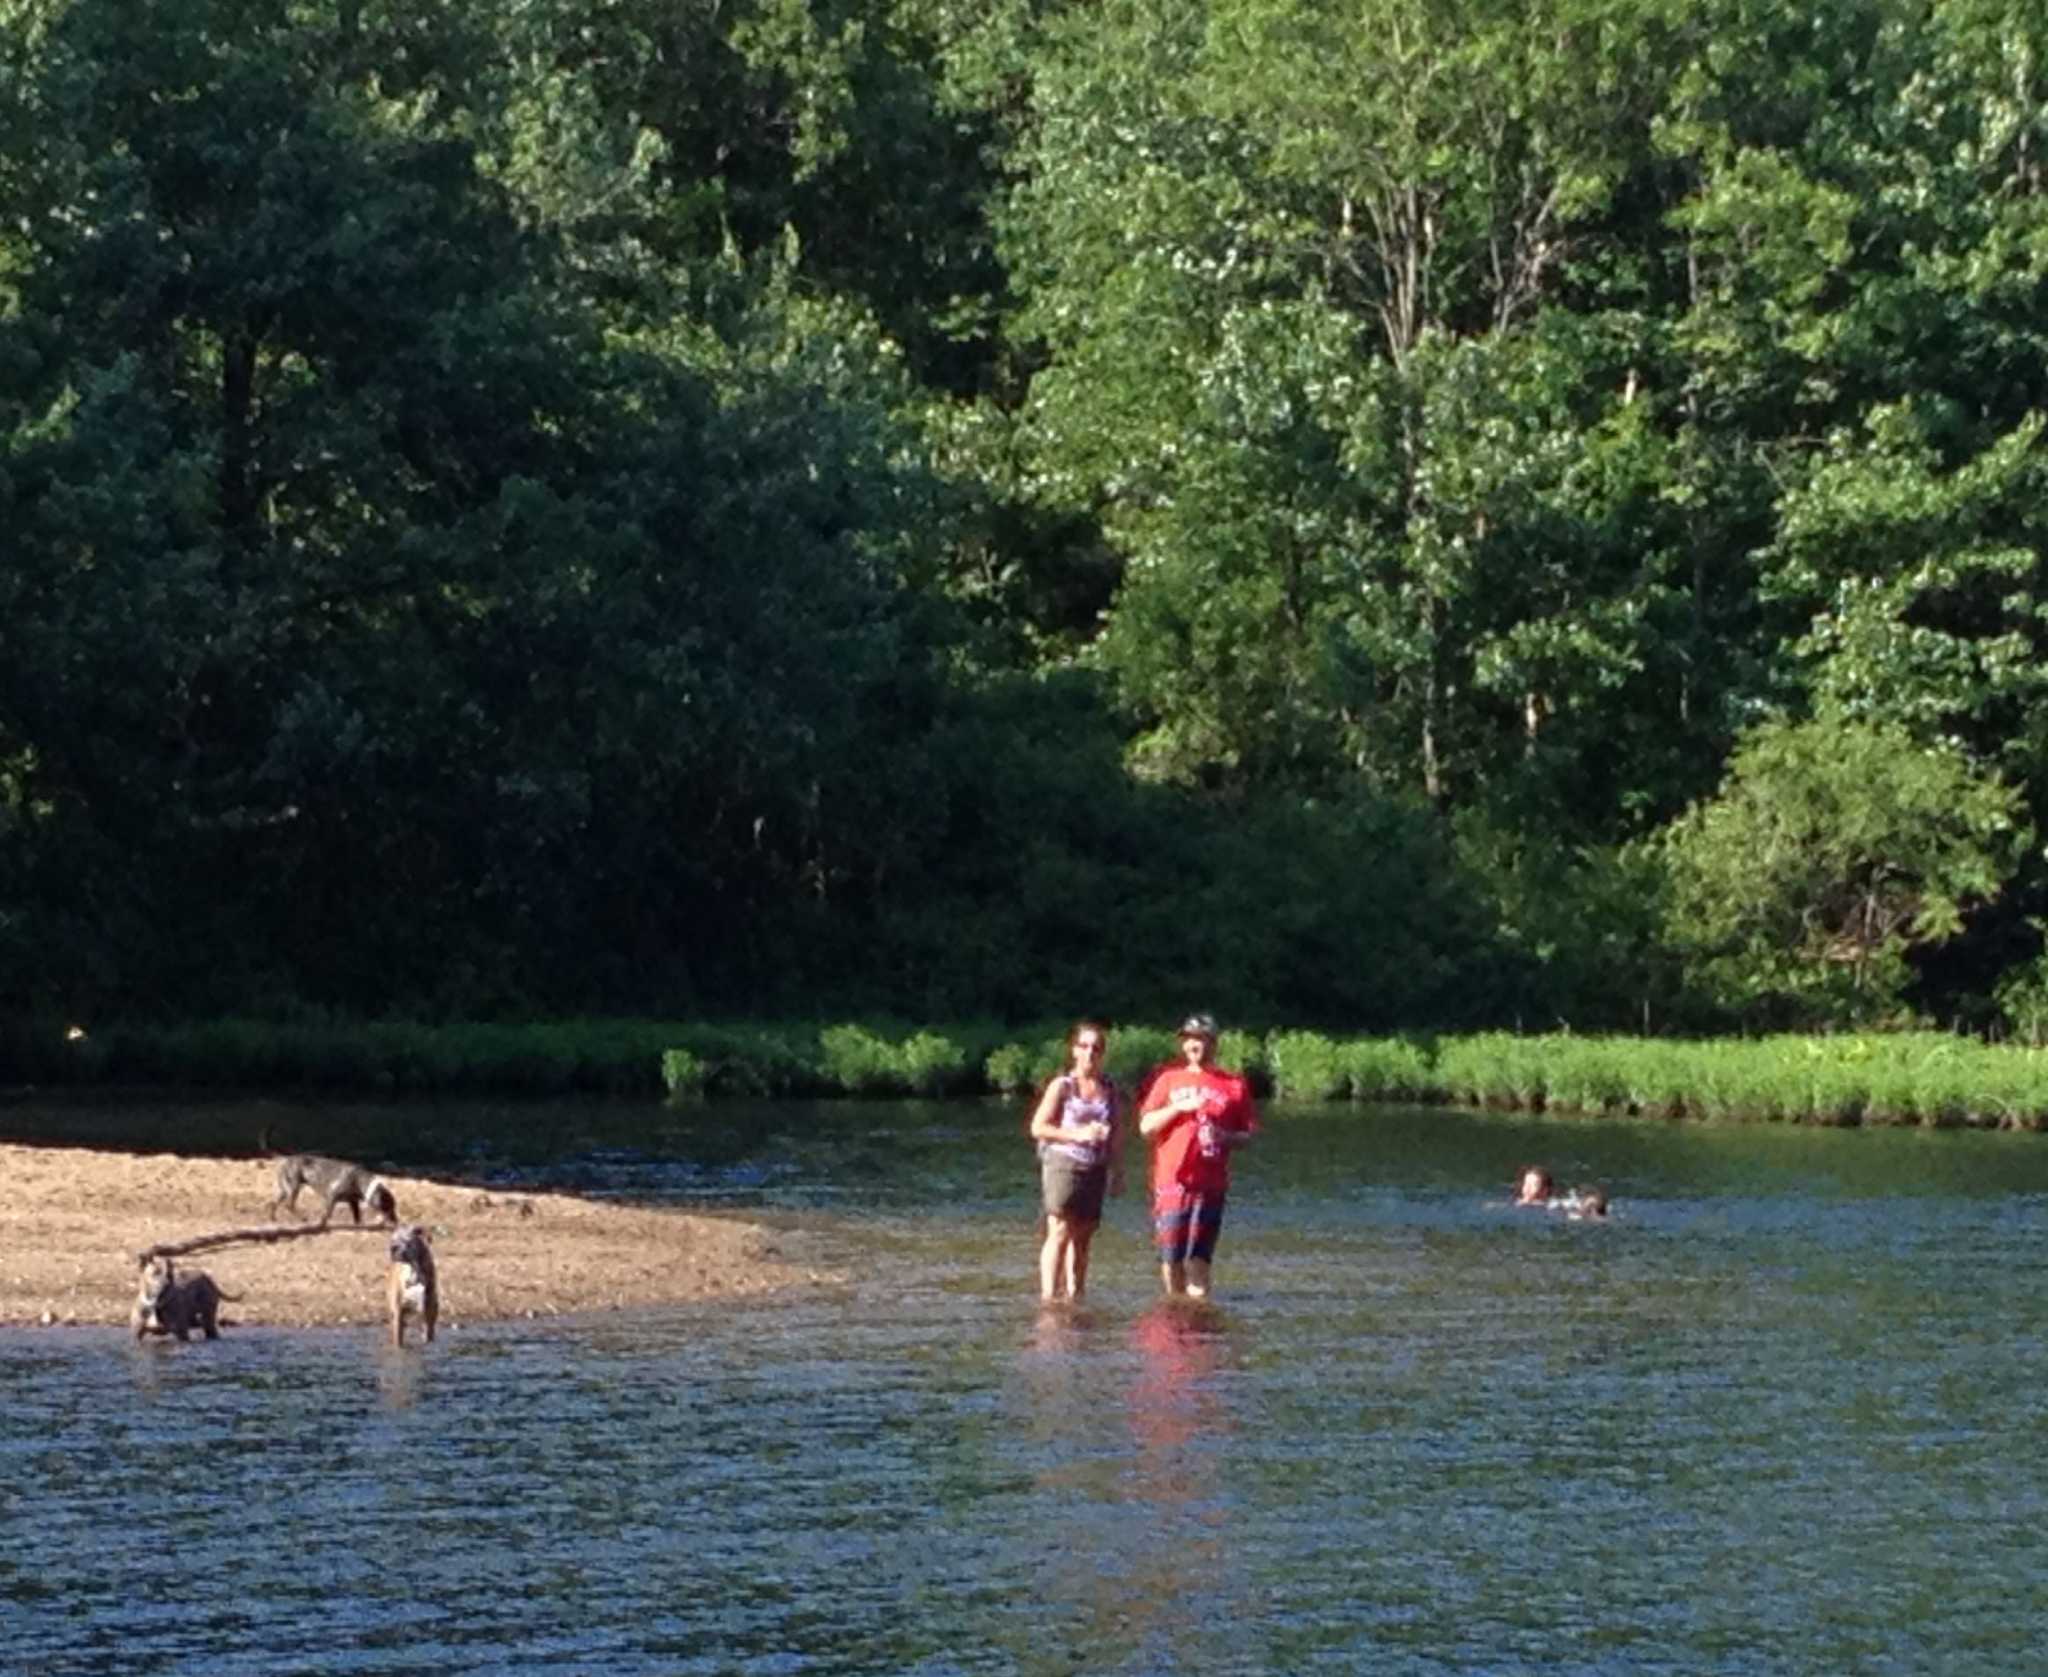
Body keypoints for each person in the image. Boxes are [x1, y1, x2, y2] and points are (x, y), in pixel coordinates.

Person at [1137, 1014, 1258, 1299]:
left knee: (1200, 1259)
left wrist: (1224, 1136)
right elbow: (1145, 1127)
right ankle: (1174, 1309)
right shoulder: (1168, 1080)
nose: (1195, 1044)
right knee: (1171, 1257)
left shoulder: (1233, 1085)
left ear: (1213, 1043)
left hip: (1211, 1185)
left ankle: (1198, 1322)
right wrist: (1178, 1108)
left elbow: (1249, 1135)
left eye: (1202, 1039)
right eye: (1190, 1039)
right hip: (1172, 1183)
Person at [1026, 1020, 1124, 1302]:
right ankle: (1049, 1298)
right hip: (1063, 1164)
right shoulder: (1062, 1086)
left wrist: (1118, 1171)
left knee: (1083, 1236)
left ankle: (1076, 1295)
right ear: (1074, 1050)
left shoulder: (1109, 1088)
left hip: (1095, 1167)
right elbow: (1038, 1127)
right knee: (1059, 1229)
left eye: (1096, 1048)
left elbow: (1117, 1132)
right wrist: (1077, 1134)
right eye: (1084, 1046)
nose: (1090, 1053)